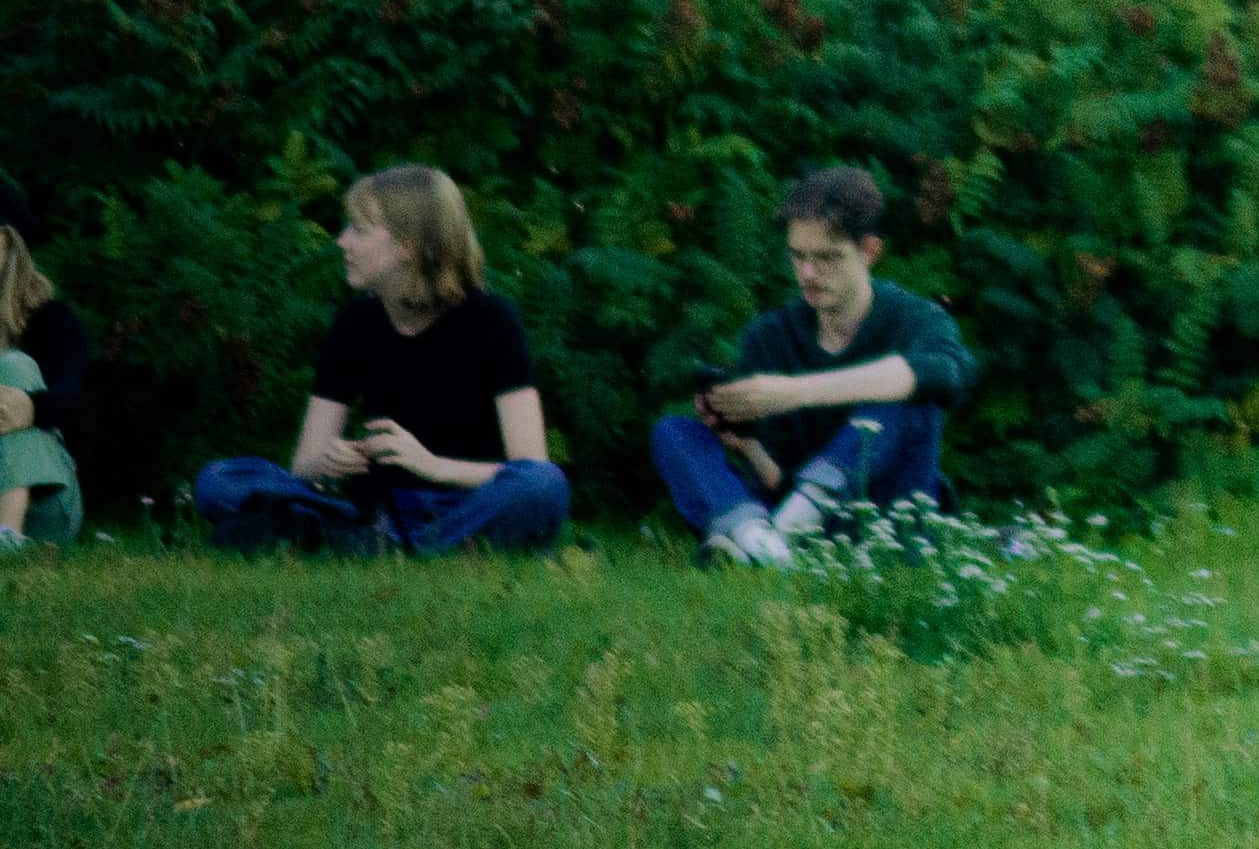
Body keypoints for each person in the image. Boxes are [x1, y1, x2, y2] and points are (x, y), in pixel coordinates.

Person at [189, 168, 570, 557]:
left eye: (358, 229)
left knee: (544, 486)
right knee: (219, 481)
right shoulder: (355, 323)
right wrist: (335, 461)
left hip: (469, 504)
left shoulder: (491, 321)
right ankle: (406, 544)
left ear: (407, 246)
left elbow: (530, 465)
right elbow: (305, 466)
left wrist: (431, 465)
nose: (342, 241)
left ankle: (368, 544)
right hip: (378, 508)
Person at [647, 166, 979, 565]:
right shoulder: (770, 336)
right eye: (798, 256)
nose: (807, 273)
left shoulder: (914, 319)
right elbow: (776, 479)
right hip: (794, 512)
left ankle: (765, 542)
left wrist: (795, 392)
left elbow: (950, 372)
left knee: (909, 395)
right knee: (673, 432)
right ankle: (759, 538)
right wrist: (747, 444)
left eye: (826, 258)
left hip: (887, 517)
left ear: (869, 251)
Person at [0, 187, 83, 548]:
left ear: (7, 242)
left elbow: (75, 396)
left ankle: (7, 536)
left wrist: (32, 408)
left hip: (47, 503)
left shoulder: (51, 320)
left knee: (15, 369)